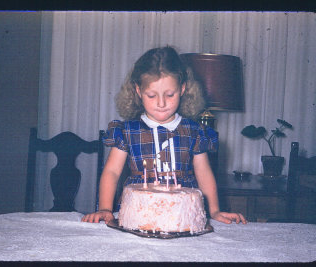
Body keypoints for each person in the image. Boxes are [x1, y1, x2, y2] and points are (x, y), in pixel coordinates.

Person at [82, 46, 247, 225]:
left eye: (170, 95)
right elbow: (112, 172)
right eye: (152, 96)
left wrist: (214, 210)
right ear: (138, 91)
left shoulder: (194, 131)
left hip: (183, 218)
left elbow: (204, 172)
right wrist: (105, 208)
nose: (161, 103)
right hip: (138, 216)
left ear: (182, 89)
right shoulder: (127, 131)